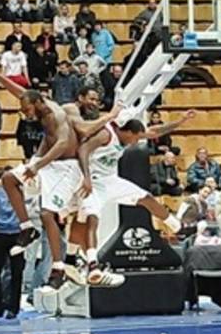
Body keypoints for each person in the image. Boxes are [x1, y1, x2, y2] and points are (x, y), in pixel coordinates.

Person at [0, 57, 119, 291]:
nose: (26, 115)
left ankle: (58, 269)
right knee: (8, 179)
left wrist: (36, 166)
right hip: (47, 164)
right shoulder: (39, 102)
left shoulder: (57, 115)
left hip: (65, 167)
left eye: (27, 110)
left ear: (37, 103)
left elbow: (62, 143)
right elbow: (19, 91)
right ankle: (27, 228)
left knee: (48, 214)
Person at [75, 117, 185, 286]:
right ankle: (92, 265)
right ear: (127, 132)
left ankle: (176, 226)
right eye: (136, 138)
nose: (136, 142)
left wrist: (179, 121)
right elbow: (83, 149)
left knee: (146, 198)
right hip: (93, 182)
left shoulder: (128, 135)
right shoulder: (106, 135)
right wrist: (86, 178)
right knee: (92, 219)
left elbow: (154, 132)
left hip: (111, 181)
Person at [0, 167, 25, 319]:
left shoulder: (19, 191)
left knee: (16, 272)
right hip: (0, 233)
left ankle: (13, 307)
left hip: (17, 234)